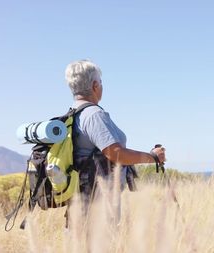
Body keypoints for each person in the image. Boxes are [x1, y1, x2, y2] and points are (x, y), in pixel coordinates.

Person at [64, 59, 166, 219]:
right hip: (98, 204)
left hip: (82, 201)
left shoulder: (74, 114)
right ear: (95, 85)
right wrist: (152, 157)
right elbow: (116, 153)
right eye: (101, 82)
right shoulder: (94, 115)